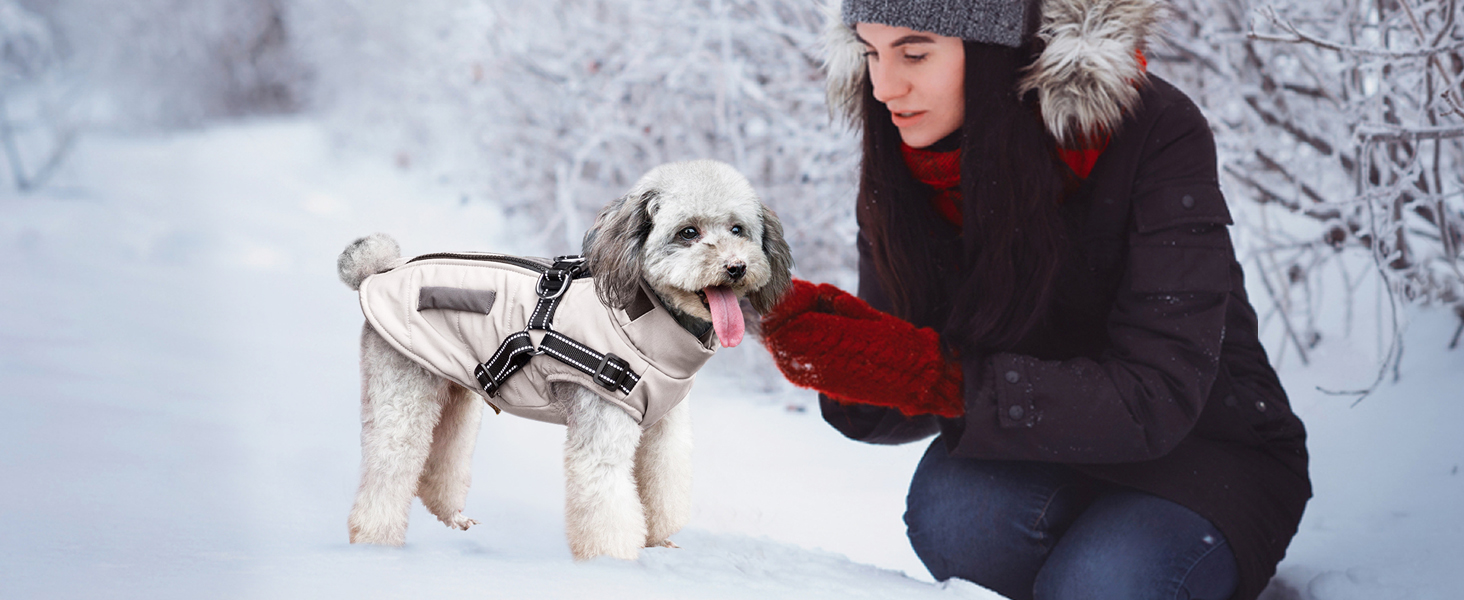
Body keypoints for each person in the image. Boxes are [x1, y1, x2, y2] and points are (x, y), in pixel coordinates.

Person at [758, 1, 1311, 599]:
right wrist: (851, 356)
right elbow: (912, 381)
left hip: (1208, 454)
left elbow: (1161, 394)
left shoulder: (1152, 127)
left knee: (1103, 584)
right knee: (953, 515)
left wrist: (936, 376)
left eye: (914, 53)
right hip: (1040, 449)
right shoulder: (908, 160)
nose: (885, 86)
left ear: (993, 48)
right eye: (869, 53)